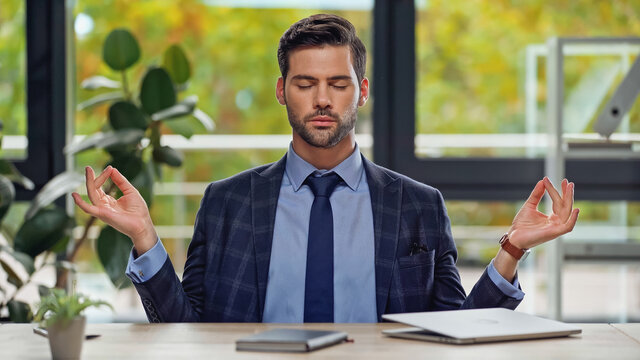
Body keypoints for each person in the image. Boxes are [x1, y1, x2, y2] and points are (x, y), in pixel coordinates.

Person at [72, 14, 579, 323]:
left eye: (338, 84)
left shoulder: (419, 205)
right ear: (280, 90)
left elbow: (454, 333)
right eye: (305, 83)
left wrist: (512, 249)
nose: (321, 100)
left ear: (361, 91)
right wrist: (144, 238)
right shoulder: (227, 202)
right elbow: (183, 326)